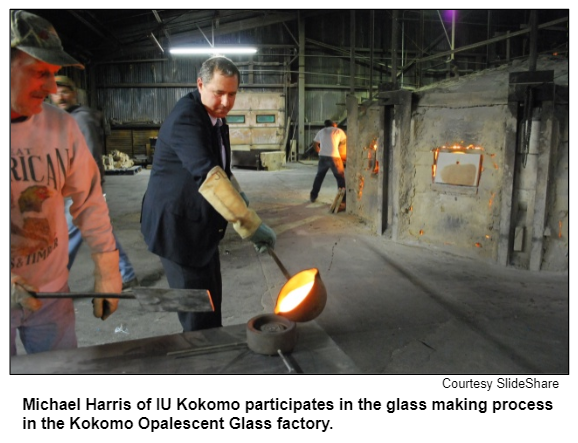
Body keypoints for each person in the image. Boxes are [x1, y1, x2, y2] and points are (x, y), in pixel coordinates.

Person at [10, 10, 122, 355]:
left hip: (53, 295)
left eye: (55, 75)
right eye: (40, 73)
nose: (50, 88)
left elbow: (89, 199)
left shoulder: (62, 127)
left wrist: (106, 269)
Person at [140, 56, 276, 332]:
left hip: (201, 231)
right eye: (219, 93)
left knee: (211, 306)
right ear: (200, 84)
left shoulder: (215, 117)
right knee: (197, 316)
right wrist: (250, 224)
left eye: (233, 94)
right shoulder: (186, 119)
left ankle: (211, 348)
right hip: (177, 231)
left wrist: (238, 195)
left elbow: (220, 168)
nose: (226, 102)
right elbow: (208, 174)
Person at [49, 75, 138, 290]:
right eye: (55, 91)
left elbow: (90, 156)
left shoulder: (80, 119)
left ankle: (54, 282)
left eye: (65, 91)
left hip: (81, 192)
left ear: (74, 93)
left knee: (67, 239)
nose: (60, 96)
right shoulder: (65, 119)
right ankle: (126, 274)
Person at [309, 120, 347, 206]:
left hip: (323, 157)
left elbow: (315, 144)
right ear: (334, 124)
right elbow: (344, 143)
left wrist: (319, 151)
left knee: (319, 177)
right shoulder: (338, 131)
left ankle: (313, 196)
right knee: (340, 178)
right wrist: (342, 155)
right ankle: (343, 199)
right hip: (335, 157)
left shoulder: (321, 131)